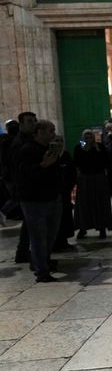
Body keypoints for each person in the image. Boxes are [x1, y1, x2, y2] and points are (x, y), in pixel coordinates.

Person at [16, 120, 61, 282]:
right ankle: (42, 271)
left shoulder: (48, 149)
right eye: (50, 131)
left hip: (52, 197)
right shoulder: (27, 150)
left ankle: (41, 263)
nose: (53, 134)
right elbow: (23, 175)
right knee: (38, 237)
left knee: (50, 236)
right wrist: (43, 165)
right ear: (39, 132)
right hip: (34, 200)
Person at [8, 112, 38, 263]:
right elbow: (20, 167)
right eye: (29, 121)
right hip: (26, 187)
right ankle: (26, 253)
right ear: (21, 124)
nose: (33, 123)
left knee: (29, 222)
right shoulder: (19, 143)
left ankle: (23, 252)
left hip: (29, 187)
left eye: (34, 121)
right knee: (30, 222)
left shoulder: (29, 139)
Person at [73, 129, 112, 240]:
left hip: (98, 178)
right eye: (86, 137)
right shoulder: (79, 147)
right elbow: (76, 162)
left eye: (90, 137)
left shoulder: (99, 147)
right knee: (84, 204)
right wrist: (85, 151)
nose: (89, 139)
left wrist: (96, 150)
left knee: (100, 203)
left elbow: (105, 161)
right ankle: (83, 228)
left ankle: (102, 228)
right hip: (85, 178)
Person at [52, 135, 76, 251]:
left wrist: (69, 186)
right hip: (55, 192)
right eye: (57, 141)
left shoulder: (66, 155)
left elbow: (72, 172)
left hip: (66, 192)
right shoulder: (50, 155)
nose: (59, 143)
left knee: (65, 217)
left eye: (61, 141)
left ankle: (64, 240)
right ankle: (56, 242)